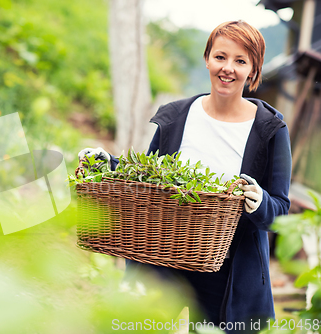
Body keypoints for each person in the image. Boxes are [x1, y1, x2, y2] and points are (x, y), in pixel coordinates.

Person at [78, 20, 291, 333]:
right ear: (207, 59)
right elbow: (146, 180)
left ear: (253, 71)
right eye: (220, 57)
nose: (228, 68)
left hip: (228, 267)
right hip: (163, 251)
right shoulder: (177, 116)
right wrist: (106, 164)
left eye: (240, 61)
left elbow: (280, 212)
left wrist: (260, 202)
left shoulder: (270, 129)